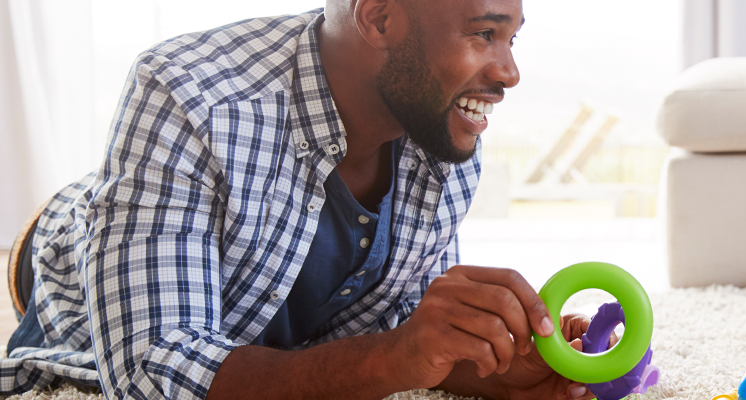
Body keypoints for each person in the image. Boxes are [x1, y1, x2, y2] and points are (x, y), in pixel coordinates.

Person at [0, 1, 599, 399]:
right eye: (484, 34)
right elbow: (154, 372)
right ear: (380, 18)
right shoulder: (188, 94)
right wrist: (394, 356)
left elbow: (400, 329)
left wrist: (499, 370)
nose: (509, 72)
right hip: (66, 255)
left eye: (512, 38)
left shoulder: (439, 132)